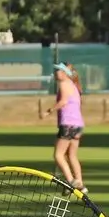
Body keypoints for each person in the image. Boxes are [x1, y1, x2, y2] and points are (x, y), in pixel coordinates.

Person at [42, 62, 87, 192]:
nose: (56, 73)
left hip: (68, 124)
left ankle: (71, 182)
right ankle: (80, 184)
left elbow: (63, 102)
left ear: (64, 74)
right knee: (72, 155)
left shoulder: (64, 84)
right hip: (78, 125)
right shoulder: (74, 86)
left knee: (58, 155)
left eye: (59, 71)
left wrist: (48, 111)